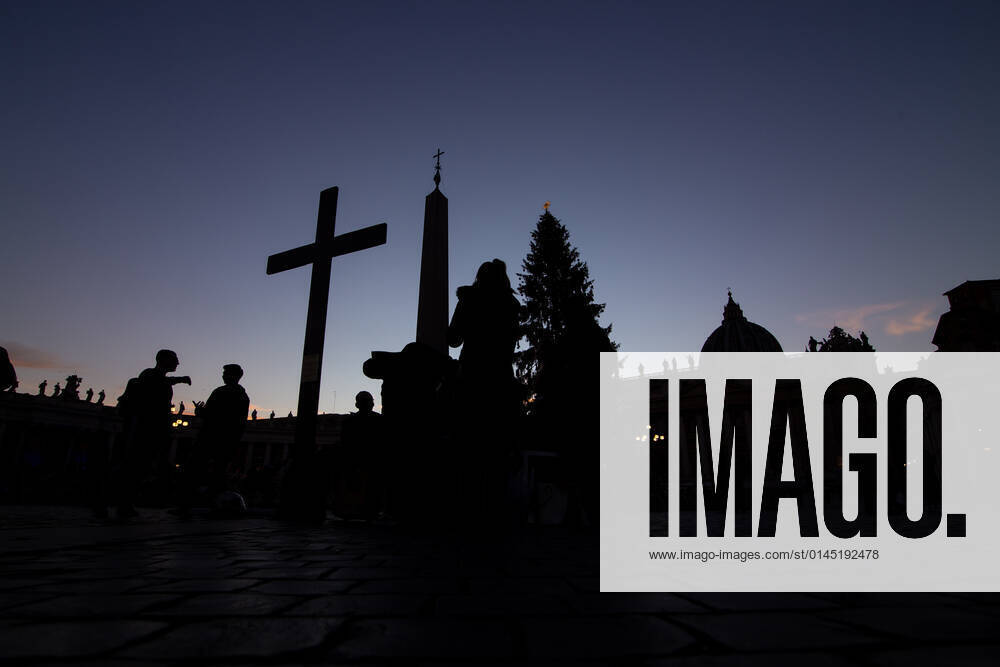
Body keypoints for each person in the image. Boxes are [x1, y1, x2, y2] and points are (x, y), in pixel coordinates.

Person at [110, 349, 191, 519]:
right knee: (135, 465)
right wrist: (179, 380)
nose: (178, 363)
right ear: (163, 360)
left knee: (140, 466)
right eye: (175, 359)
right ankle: (121, 503)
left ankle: (125, 502)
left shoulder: (155, 377)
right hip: (145, 428)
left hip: (151, 428)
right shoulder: (149, 375)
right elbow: (158, 386)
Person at [177, 364, 249, 515]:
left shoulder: (220, 392)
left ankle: (185, 504)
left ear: (233, 375)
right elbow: (241, 422)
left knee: (194, 469)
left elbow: (209, 414)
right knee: (219, 472)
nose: (223, 376)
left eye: (226, 373)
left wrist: (200, 411)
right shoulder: (243, 396)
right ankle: (216, 504)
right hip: (228, 440)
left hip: (210, 437)